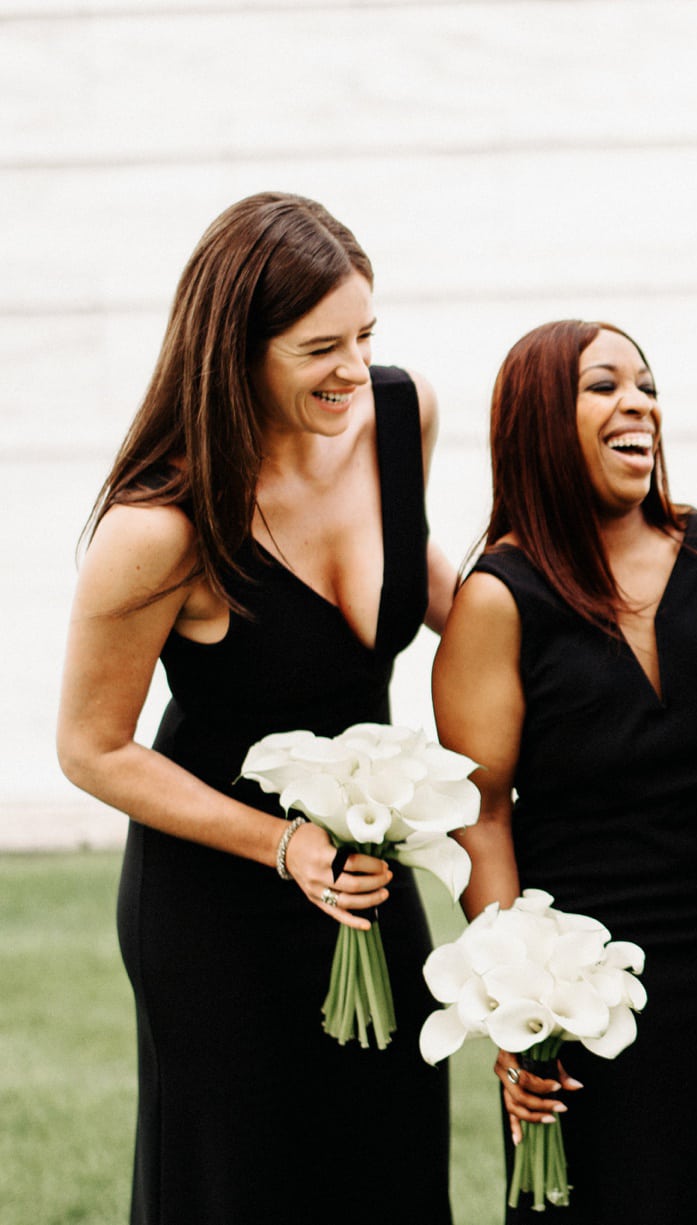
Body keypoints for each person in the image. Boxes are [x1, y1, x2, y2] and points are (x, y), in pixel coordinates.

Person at [56, 192, 456, 1224]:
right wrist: (284, 848)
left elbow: (428, 583)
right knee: (246, 1186)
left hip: (369, 872)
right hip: (217, 905)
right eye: (320, 346)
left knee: (393, 1154)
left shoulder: (400, 416)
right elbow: (92, 747)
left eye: (366, 335)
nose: (354, 370)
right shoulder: (160, 525)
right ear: (236, 348)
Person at [432, 320, 697, 1223]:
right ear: (539, 422)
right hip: (585, 984)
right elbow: (480, 813)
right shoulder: (499, 594)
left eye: (645, 385)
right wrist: (517, 998)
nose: (639, 403)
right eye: (604, 386)